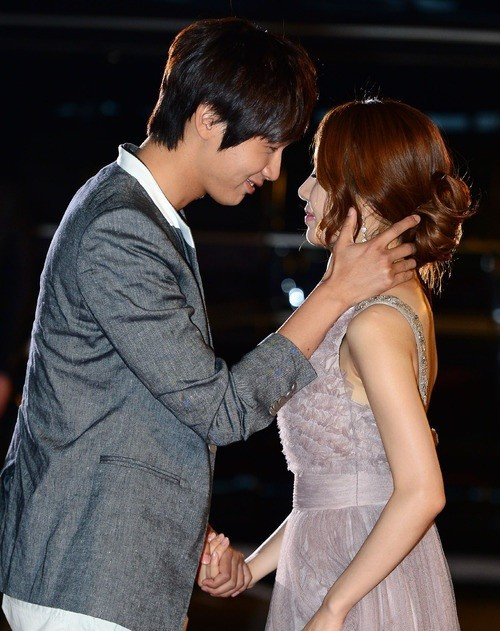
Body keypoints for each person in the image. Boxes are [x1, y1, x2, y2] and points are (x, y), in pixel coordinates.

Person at [0, 17, 419, 631]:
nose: (274, 172)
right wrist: (334, 293)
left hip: (101, 569)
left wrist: (182, 527)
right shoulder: (121, 229)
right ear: (208, 118)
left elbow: (139, 413)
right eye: (269, 147)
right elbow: (221, 410)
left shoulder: (146, 219)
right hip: (85, 577)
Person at [217, 98, 474, 630]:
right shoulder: (389, 304)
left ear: (367, 192)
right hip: (339, 565)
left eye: (319, 175)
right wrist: (252, 568)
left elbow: (422, 491)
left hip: (360, 590)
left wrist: (335, 607)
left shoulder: (374, 323)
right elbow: (339, 492)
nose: (303, 190)